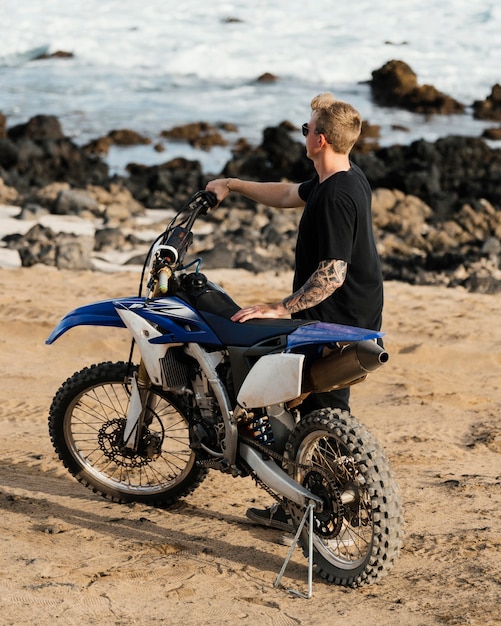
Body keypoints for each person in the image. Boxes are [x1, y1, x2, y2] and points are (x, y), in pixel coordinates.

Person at [205, 92, 383, 532]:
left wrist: (280, 308)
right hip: (345, 313)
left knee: (325, 410)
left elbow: (333, 274)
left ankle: (333, 512)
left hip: (338, 321)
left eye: (307, 129)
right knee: (309, 405)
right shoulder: (340, 177)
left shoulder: (338, 196)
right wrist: (234, 185)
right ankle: (300, 503)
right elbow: (287, 193)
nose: (303, 135)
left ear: (319, 140)